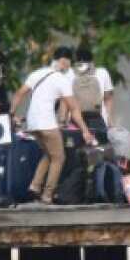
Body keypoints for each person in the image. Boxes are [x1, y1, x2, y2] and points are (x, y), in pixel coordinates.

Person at [10, 48, 96, 204]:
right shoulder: (61, 79)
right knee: (59, 158)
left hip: (32, 124)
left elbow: (19, 94)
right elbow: (74, 108)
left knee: (49, 154)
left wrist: (12, 115)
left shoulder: (37, 73)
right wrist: (85, 130)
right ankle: (47, 194)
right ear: (63, 61)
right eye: (69, 63)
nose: (69, 66)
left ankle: (35, 186)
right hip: (47, 123)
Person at [73, 47, 115, 134]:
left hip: (76, 121)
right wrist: (109, 119)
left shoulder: (70, 74)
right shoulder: (102, 72)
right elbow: (108, 98)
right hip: (99, 119)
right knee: (99, 142)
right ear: (92, 61)